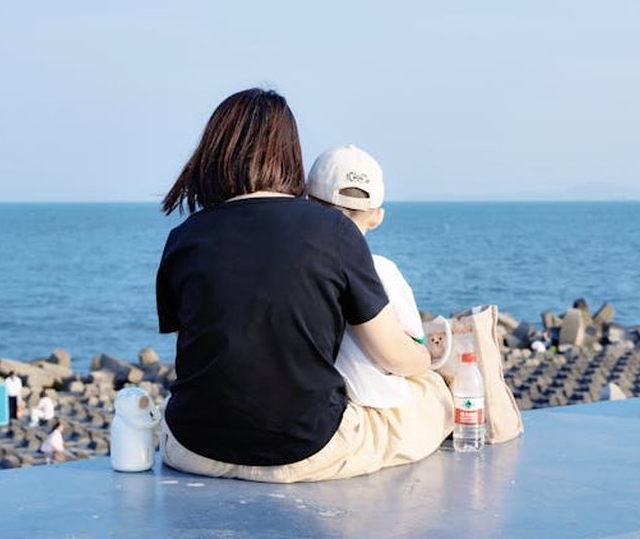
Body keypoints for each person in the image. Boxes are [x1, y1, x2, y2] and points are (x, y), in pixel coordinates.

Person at [156, 89, 452, 483]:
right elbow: (393, 356)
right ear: (289, 152)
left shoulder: (184, 237)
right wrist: (428, 363)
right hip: (303, 451)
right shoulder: (333, 231)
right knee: (433, 395)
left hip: (191, 448)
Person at [305, 145, 426, 409]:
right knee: (434, 387)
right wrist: (428, 358)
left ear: (307, 201)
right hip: (362, 404)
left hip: (302, 401)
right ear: (377, 216)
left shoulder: (294, 263)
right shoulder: (381, 270)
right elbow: (400, 354)